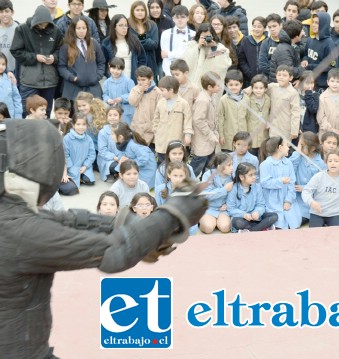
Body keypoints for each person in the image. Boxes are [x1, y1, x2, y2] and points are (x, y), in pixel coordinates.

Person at [0, 119, 207, 358]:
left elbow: (68, 221)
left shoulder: (14, 218)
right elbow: (114, 252)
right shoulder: (21, 231)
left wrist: (142, 226)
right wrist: (172, 214)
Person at [10, 5, 62, 118]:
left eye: (46, 24)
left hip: (49, 81)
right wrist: (35, 57)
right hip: (29, 81)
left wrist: (54, 57)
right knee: (28, 113)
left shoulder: (56, 31)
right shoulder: (22, 29)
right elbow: (15, 51)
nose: (43, 27)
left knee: (45, 114)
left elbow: (61, 50)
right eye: (40, 24)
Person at [302, 149, 339, 227]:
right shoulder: (319, 176)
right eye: (330, 161)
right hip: (317, 213)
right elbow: (306, 191)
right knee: (314, 235)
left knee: (338, 235)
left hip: (335, 214)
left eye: (336, 161)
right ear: (326, 163)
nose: (333, 163)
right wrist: (311, 202)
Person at [58, 16, 106, 100]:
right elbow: (61, 66)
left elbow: (101, 62)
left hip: (93, 89)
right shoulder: (66, 46)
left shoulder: (93, 43)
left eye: (84, 28)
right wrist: (72, 77)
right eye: (78, 28)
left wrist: (97, 76)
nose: (81, 31)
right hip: (73, 89)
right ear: (73, 29)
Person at [259, 136, 302, 229]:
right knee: (278, 221)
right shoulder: (265, 164)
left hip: (287, 198)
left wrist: (288, 201)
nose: (288, 147)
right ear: (280, 147)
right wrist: (280, 181)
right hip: (272, 201)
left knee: (294, 223)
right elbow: (264, 183)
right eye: (286, 145)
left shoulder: (288, 163)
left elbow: (292, 184)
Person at [227, 162, 278, 233]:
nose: (254, 177)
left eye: (254, 174)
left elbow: (261, 204)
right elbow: (231, 209)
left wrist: (257, 212)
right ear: (241, 177)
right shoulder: (234, 189)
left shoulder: (257, 187)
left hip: (256, 218)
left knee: (274, 216)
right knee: (237, 222)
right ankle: (261, 228)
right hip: (242, 218)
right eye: (250, 175)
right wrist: (243, 214)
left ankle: (250, 230)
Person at [152, 75, 193, 161]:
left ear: (171, 90)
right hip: (162, 141)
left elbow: (188, 120)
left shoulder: (183, 103)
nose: (161, 92)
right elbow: (156, 119)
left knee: (176, 163)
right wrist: (156, 131)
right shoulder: (160, 102)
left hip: (176, 140)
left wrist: (188, 135)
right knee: (162, 163)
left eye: (162, 90)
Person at [190, 71, 220, 178]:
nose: (220, 87)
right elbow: (198, 120)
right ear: (209, 87)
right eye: (217, 85)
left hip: (208, 141)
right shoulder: (203, 100)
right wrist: (211, 135)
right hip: (202, 140)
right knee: (197, 166)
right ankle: (185, 186)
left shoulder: (210, 97)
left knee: (208, 167)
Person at [290, 131, 325, 222]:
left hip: (310, 198)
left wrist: (305, 188)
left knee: (299, 218)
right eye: (299, 144)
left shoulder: (320, 163)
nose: (300, 148)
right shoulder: (298, 157)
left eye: (303, 146)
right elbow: (290, 171)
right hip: (296, 197)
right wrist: (297, 153)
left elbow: (321, 184)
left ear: (312, 148)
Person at [101, 14, 147, 84]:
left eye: (126, 25)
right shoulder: (106, 42)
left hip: (132, 79)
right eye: (121, 25)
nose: (124, 28)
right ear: (114, 27)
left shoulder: (134, 39)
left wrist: (139, 74)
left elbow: (142, 58)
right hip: (114, 80)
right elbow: (103, 62)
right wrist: (109, 75)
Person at [59, 114, 96, 195]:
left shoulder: (88, 139)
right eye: (78, 124)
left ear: (87, 125)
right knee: (74, 185)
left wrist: (85, 166)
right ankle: (77, 178)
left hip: (84, 166)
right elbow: (65, 155)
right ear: (73, 125)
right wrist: (71, 167)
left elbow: (92, 154)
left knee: (90, 181)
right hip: (72, 166)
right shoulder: (67, 138)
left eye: (84, 124)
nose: (81, 127)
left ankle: (81, 177)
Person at [199, 153, 233, 234]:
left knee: (225, 228)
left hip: (224, 210)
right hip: (209, 208)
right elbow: (206, 195)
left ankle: (218, 222)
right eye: (229, 165)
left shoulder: (233, 176)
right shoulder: (208, 175)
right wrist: (224, 189)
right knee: (208, 228)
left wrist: (228, 205)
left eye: (232, 164)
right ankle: (204, 220)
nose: (232, 167)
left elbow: (236, 194)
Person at [266, 65, 300, 141]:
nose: (281, 77)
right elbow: (259, 86)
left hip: (286, 127)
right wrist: (249, 89)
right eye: (279, 75)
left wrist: (294, 130)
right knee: (273, 147)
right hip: (273, 126)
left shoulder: (293, 93)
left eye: (284, 75)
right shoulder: (272, 87)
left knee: (284, 149)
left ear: (290, 78)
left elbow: (295, 112)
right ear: (276, 76)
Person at [128, 65, 161, 145]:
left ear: (151, 78)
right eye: (138, 80)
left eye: (143, 80)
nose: (140, 82)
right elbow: (132, 102)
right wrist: (140, 91)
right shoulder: (135, 89)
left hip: (151, 128)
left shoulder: (157, 92)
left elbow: (160, 110)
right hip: (137, 127)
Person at [218, 69, 249, 152]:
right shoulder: (223, 100)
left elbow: (249, 118)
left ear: (241, 84)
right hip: (228, 136)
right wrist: (221, 135)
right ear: (226, 85)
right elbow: (220, 119)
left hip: (243, 136)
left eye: (236, 84)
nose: (233, 87)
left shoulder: (247, 99)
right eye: (230, 85)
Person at [160, 5, 195, 76]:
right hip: (169, 72)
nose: (180, 20)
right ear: (173, 18)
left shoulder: (193, 34)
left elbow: (190, 55)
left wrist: (170, 54)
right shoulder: (165, 33)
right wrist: (169, 73)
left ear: (188, 18)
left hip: (188, 72)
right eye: (177, 17)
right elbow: (164, 55)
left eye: (183, 17)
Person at [128, 1, 160, 80]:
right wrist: (148, 39)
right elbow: (131, 44)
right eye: (137, 10)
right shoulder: (128, 24)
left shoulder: (152, 24)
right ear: (133, 11)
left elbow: (154, 44)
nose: (140, 12)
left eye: (142, 10)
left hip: (150, 61)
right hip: (135, 60)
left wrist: (138, 40)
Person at [317, 68, 339, 145]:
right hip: (326, 132)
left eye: (338, 82)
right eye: (332, 81)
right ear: (328, 82)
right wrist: (331, 129)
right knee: (326, 152)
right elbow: (321, 117)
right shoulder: (322, 97)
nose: (335, 84)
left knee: (338, 153)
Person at [102, 57, 135, 124]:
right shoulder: (106, 82)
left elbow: (133, 95)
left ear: (122, 69)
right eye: (113, 68)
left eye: (118, 69)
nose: (115, 71)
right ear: (109, 67)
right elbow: (105, 94)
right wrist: (108, 100)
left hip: (126, 112)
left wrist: (122, 98)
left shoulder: (129, 81)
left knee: (125, 130)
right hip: (113, 112)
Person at [97, 106, 124, 182]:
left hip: (122, 158)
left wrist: (122, 158)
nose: (112, 117)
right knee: (117, 166)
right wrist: (116, 158)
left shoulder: (124, 130)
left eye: (115, 115)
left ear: (120, 117)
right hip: (109, 159)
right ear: (107, 117)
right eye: (110, 115)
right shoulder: (103, 132)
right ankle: (115, 174)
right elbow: (102, 151)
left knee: (128, 164)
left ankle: (120, 175)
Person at [237, 16, 266, 88]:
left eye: (259, 27)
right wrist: (249, 73)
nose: (256, 29)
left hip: (265, 79)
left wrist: (264, 74)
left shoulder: (267, 41)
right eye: (254, 26)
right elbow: (241, 59)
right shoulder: (246, 40)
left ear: (264, 28)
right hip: (249, 79)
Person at [245, 75, 270, 155]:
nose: (258, 90)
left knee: (262, 156)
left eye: (261, 88)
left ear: (265, 89)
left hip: (263, 134)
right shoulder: (247, 99)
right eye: (256, 88)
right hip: (251, 134)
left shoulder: (268, 99)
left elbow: (270, 112)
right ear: (252, 88)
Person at [0, 52, 21, 118]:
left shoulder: (10, 79)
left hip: (9, 116)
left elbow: (16, 99)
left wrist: (18, 116)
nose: (1, 67)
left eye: (3, 64)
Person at [0, 0, 18, 77]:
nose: (4, 14)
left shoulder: (19, 29)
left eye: (7, 11)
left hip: (17, 72)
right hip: (1, 72)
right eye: (1, 12)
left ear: (12, 12)